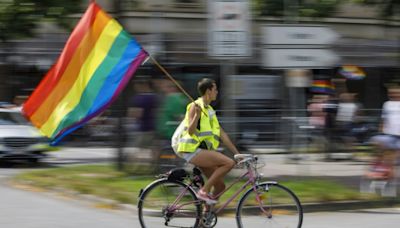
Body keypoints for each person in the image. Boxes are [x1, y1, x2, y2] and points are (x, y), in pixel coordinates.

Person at [177, 78, 240, 204]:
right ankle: (203, 191)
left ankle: (205, 219)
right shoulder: (195, 106)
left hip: (202, 151)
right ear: (208, 91)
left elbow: (222, 133)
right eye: (215, 89)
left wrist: (237, 153)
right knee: (228, 163)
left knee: (220, 187)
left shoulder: (210, 110)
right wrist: (196, 116)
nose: (217, 92)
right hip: (191, 150)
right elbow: (190, 131)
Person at [367, 87, 400, 180]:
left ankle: (389, 175)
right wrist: (381, 129)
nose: (393, 95)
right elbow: (384, 117)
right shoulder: (387, 104)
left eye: (396, 93)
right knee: (388, 156)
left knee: (394, 157)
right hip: (389, 133)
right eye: (391, 93)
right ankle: (388, 176)